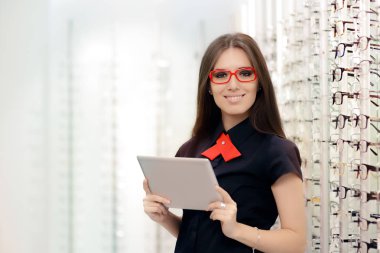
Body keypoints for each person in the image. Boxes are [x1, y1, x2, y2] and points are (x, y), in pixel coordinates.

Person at [143, 33, 306, 253]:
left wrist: (236, 229)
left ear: (259, 82)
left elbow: (295, 242)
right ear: (209, 85)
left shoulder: (278, 151)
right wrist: (164, 217)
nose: (233, 84)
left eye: (245, 73)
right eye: (221, 75)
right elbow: (196, 233)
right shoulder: (190, 149)